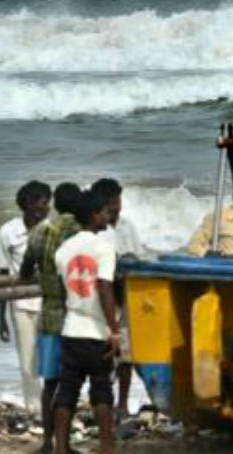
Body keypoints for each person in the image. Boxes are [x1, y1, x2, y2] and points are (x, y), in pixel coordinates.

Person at [53, 190, 120, 454]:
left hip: (71, 329)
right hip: (95, 330)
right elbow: (104, 288)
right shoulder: (104, 249)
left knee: (67, 389)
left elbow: (63, 291)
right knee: (101, 387)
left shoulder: (63, 250)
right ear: (94, 216)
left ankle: (61, 447)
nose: (108, 216)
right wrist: (114, 330)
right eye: (104, 212)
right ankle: (105, 445)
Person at [20, 182, 82, 454]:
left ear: (55, 204)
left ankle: (47, 442)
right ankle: (65, 445)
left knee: (50, 385)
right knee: (72, 385)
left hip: (50, 316)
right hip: (77, 318)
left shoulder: (40, 232)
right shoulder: (83, 234)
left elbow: (24, 272)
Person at [0, 181, 51, 413]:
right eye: (42, 204)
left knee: (50, 359)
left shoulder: (51, 230)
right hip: (20, 305)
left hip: (49, 303)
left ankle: (53, 404)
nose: (46, 209)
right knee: (28, 361)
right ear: (27, 205)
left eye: (48, 204)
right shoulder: (8, 232)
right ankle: (35, 409)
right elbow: (2, 273)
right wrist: (1, 317)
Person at [91, 177, 142, 418]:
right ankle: (102, 402)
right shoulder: (95, 231)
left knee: (126, 353)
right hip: (104, 299)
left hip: (126, 296)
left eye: (118, 200)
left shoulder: (128, 226)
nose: (116, 206)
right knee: (103, 354)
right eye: (111, 202)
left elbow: (137, 259)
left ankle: (122, 404)